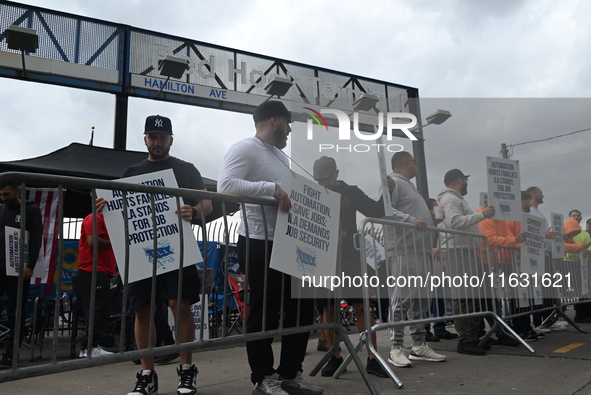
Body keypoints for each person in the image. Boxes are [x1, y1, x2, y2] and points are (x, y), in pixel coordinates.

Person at [99, 115, 212, 395]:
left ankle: (186, 370)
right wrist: (104, 205)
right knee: (142, 310)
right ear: (145, 139)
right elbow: (118, 209)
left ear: (171, 140)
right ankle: (147, 374)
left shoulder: (186, 169)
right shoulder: (130, 172)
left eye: (162, 137)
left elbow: (207, 202)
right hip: (139, 253)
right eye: (153, 136)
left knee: (179, 304)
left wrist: (195, 212)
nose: (157, 142)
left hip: (178, 249)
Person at [218, 101, 322, 395]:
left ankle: (291, 374)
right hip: (258, 240)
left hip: (287, 241)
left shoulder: (280, 156)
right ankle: (264, 378)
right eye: (289, 123)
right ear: (275, 120)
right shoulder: (245, 148)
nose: (290, 129)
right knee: (264, 309)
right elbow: (225, 185)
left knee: (300, 309)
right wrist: (270, 189)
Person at [311, 156, 390, 378]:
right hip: (323, 257)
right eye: (319, 180)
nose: (323, 183)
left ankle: (372, 358)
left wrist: (387, 191)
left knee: (361, 305)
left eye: (326, 178)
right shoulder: (312, 192)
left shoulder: (351, 191)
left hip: (349, 256)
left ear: (336, 173)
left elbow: (375, 211)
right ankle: (334, 357)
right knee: (327, 309)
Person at [383, 151, 447, 367]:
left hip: (420, 250)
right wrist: (413, 219)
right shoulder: (393, 183)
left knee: (421, 299)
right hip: (403, 250)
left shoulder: (408, 186)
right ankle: (395, 347)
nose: (417, 166)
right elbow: (385, 210)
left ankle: (418, 345)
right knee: (401, 299)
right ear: (407, 162)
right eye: (415, 163)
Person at [437, 168, 495, 356]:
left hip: (462, 251)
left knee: (468, 295)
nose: (467, 183)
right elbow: (454, 222)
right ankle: (466, 339)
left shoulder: (453, 199)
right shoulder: (451, 199)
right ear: (460, 180)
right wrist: (482, 215)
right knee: (463, 295)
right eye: (466, 180)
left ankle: (471, 337)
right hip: (457, 251)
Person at [0, 180, 43, 368]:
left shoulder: (31, 210)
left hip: (17, 269)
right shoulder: (1, 209)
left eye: (6, 194)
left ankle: (12, 352)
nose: (3, 198)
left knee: (14, 312)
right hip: (0, 266)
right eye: (0, 195)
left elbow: (35, 238)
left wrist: (30, 265)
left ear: (17, 191)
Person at [77, 212, 117, 358]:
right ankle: (89, 347)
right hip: (93, 269)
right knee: (97, 308)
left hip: (102, 269)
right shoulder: (93, 218)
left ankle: (92, 346)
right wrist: (115, 242)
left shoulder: (108, 219)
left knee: (101, 308)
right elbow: (93, 241)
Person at [423, 197, 458, 342]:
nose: (438, 210)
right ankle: (424, 330)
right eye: (435, 208)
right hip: (426, 265)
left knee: (440, 297)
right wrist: (430, 250)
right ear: (429, 210)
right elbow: (416, 242)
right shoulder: (424, 224)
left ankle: (439, 329)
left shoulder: (437, 226)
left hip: (438, 265)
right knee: (426, 299)